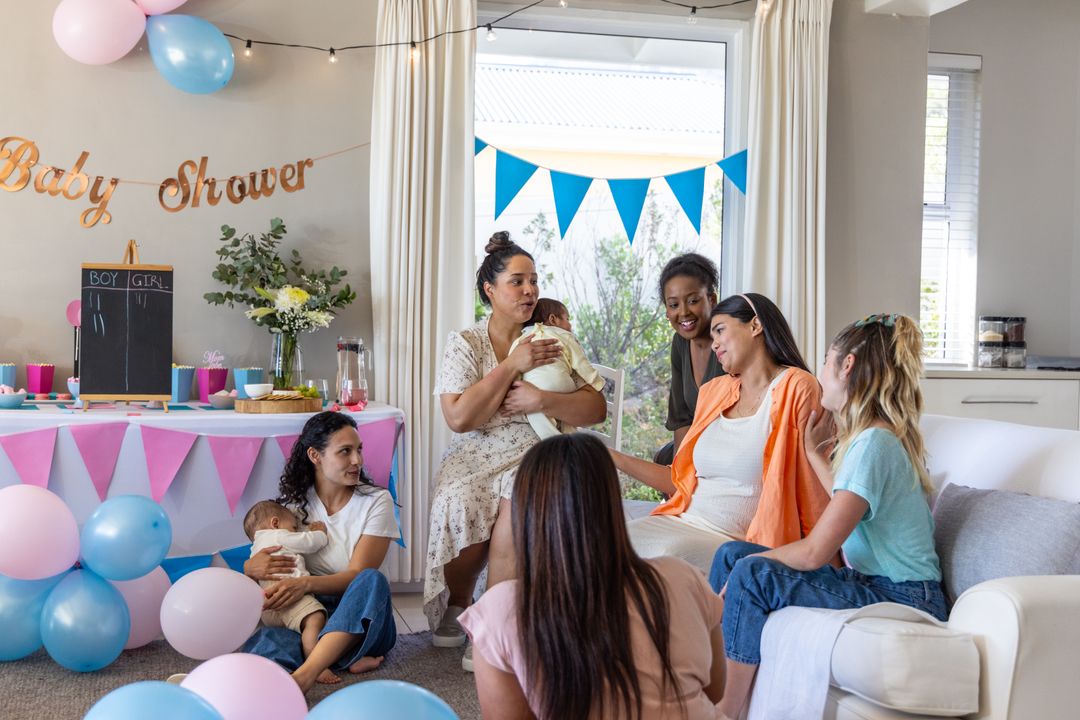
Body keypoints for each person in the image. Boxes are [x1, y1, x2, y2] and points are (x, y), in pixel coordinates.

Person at [708, 314, 948, 719]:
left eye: (824, 361)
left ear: (847, 366)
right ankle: (710, 687)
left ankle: (727, 711)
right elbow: (847, 496)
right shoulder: (873, 438)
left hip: (904, 597)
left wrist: (753, 566)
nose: (820, 373)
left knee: (750, 572)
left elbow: (815, 552)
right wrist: (812, 452)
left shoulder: (874, 443)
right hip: (880, 585)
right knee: (731, 554)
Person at [425, 232, 606, 671]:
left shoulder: (548, 337)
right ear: (490, 290)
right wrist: (512, 365)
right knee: (458, 498)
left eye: (534, 281)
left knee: (517, 504)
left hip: (536, 447)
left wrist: (541, 400)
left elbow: (596, 408)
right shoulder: (465, 343)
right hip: (475, 450)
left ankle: (495, 624)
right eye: (518, 282)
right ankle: (460, 601)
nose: (529, 291)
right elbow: (459, 418)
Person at [459, 433, 726, 720]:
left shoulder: (503, 610)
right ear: (612, 504)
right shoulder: (684, 578)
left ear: (527, 514)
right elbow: (714, 691)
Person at [612, 293, 830, 572]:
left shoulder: (797, 386)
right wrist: (611, 456)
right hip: (681, 521)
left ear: (755, 325)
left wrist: (822, 555)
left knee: (662, 557)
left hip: (732, 540)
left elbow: (809, 482)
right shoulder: (713, 392)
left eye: (720, 330)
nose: (714, 343)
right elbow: (680, 480)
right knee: (598, 541)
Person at [240, 411, 399, 693]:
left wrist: (305, 584)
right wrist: (250, 567)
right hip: (310, 611)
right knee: (268, 641)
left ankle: (305, 675)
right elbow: (270, 551)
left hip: (362, 611)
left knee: (371, 579)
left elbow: (357, 574)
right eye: (345, 451)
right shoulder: (293, 507)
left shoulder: (376, 501)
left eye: (359, 449)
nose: (357, 460)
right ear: (315, 456)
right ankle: (333, 660)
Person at [242, 500, 334, 683]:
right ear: (275, 523)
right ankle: (316, 665)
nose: (296, 531)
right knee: (316, 619)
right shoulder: (279, 536)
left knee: (295, 632)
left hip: (269, 608)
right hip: (289, 596)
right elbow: (310, 543)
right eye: (294, 527)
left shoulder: (255, 549)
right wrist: (319, 533)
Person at [656, 253, 726, 465]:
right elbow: (681, 418)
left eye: (693, 301)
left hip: (730, 445)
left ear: (711, 300)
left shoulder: (729, 340)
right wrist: (680, 472)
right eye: (674, 305)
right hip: (700, 441)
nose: (684, 312)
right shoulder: (680, 343)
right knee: (664, 459)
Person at [507, 297, 603, 440]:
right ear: (553, 319)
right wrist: (596, 382)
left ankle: (552, 441)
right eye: (567, 319)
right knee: (567, 419)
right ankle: (569, 440)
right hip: (564, 385)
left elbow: (512, 364)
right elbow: (581, 362)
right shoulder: (564, 335)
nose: (570, 325)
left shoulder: (522, 339)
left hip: (533, 388)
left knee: (537, 416)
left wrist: (514, 388)